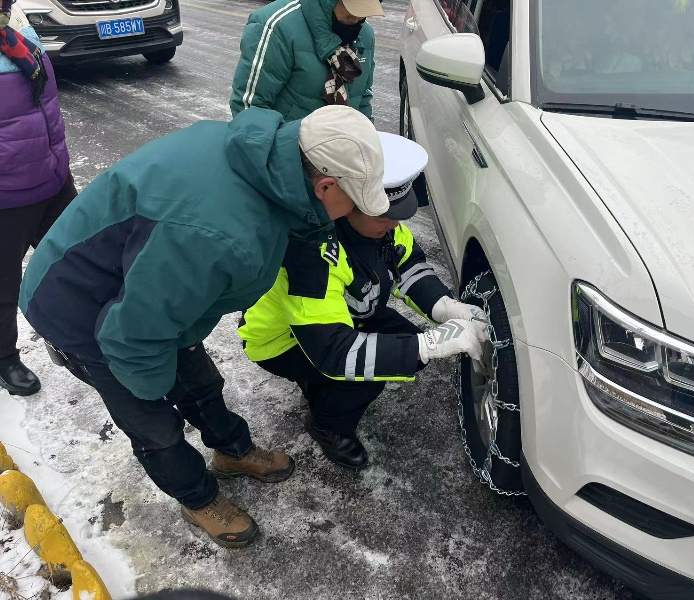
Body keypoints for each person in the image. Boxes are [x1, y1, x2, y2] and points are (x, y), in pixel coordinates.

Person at [18, 105, 404, 549]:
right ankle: (197, 497)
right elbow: (132, 336)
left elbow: (301, 223)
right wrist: (154, 391)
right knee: (154, 423)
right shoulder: (216, 232)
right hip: (78, 306)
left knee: (200, 381)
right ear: (326, 183)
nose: (352, 211)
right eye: (354, 201)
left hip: (144, 287)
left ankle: (231, 450)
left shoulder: (271, 165)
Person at [239, 133, 489, 470]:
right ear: (348, 202)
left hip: (342, 316)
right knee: (369, 372)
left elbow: (410, 265)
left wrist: (445, 306)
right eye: (384, 216)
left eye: (397, 214)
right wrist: (428, 344)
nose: (395, 225)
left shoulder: (381, 224)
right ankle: (327, 426)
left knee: (400, 339)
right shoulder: (311, 255)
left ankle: (319, 387)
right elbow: (334, 352)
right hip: (283, 341)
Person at [0, 0, 76, 397]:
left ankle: (75, 335)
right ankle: (4, 358)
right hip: (6, 196)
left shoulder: (17, 28)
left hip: (53, 178)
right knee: (3, 285)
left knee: (78, 263)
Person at [229, 0, 382, 120]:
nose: (356, 20)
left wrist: (365, 142)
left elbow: (363, 98)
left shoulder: (365, 34)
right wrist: (278, 154)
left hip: (341, 150)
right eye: (350, 13)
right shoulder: (278, 26)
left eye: (363, 14)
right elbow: (249, 108)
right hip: (286, 151)